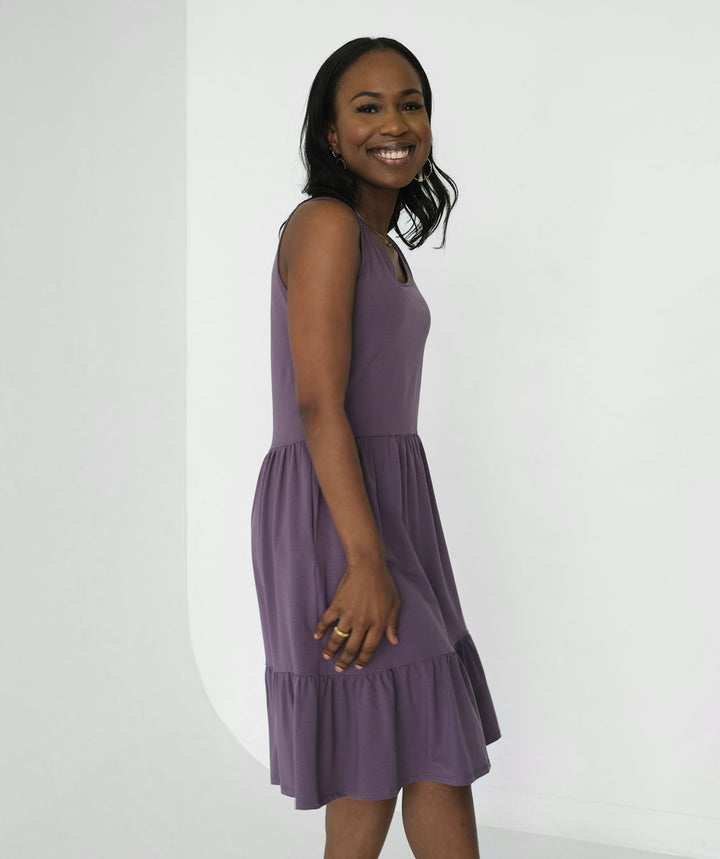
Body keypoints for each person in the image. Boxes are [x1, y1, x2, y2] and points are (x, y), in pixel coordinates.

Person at [250, 36, 501, 859]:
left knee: (410, 748)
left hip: (390, 505)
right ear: (330, 133)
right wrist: (364, 560)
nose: (395, 123)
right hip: (336, 515)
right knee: (401, 743)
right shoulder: (325, 225)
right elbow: (319, 402)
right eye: (368, 107)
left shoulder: (379, 241)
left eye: (411, 104)